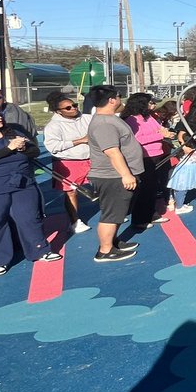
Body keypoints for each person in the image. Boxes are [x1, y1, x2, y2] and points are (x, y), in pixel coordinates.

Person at [0, 104, 61, 275]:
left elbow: (34, 151)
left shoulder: (12, 132)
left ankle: (40, 250)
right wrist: (8, 149)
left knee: (29, 218)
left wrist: (24, 148)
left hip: (22, 184)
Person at [85, 85, 144, 262]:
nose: (121, 100)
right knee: (112, 213)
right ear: (112, 100)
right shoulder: (104, 123)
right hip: (112, 176)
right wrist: (126, 175)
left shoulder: (109, 119)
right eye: (119, 96)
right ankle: (105, 250)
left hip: (117, 175)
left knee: (118, 212)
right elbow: (112, 151)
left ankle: (112, 241)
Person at [122, 93, 174, 230]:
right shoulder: (131, 120)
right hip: (144, 157)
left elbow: (159, 129)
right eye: (150, 103)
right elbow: (136, 139)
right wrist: (160, 135)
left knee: (152, 188)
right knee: (144, 189)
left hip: (157, 154)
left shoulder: (149, 117)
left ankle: (151, 214)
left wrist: (166, 132)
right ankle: (139, 219)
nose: (153, 105)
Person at [43, 92, 93, 233]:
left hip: (91, 159)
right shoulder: (53, 126)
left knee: (104, 184)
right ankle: (75, 221)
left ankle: (110, 213)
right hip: (69, 162)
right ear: (59, 112)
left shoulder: (87, 118)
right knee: (71, 192)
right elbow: (52, 146)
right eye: (68, 108)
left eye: (75, 105)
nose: (73, 108)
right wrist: (79, 141)